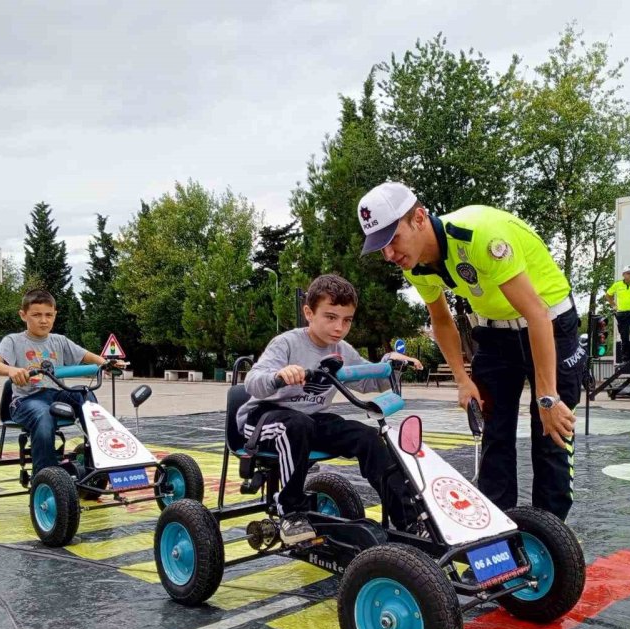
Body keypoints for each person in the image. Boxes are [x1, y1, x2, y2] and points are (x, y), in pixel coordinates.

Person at [357, 182, 582, 522]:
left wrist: (547, 397)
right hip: (495, 333)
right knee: (494, 433)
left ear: (419, 218)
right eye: (380, 246)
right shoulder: (415, 264)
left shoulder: (479, 235)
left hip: (550, 323)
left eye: (393, 239)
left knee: (550, 434)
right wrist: (462, 379)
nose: (389, 254)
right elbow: (441, 321)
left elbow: (536, 314)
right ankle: (499, 530)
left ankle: (551, 536)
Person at [237, 274, 424, 544]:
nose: (339, 327)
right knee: (297, 426)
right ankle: (291, 512)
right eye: (330, 317)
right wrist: (279, 375)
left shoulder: (342, 349)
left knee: (368, 437)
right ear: (308, 313)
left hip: (310, 420)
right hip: (263, 418)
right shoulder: (287, 343)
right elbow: (253, 382)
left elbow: (368, 380)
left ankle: (408, 521)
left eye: (346, 320)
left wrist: (391, 364)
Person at [0, 289, 116, 474]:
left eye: (48, 315)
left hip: (57, 394)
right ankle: (45, 475)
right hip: (26, 400)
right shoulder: (14, 341)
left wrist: (105, 363)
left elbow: (86, 355)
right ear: (23, 315)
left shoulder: (59, 341)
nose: (43, 320)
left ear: (55, 315)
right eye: (36, 315)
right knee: (44, 415)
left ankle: (100, 457)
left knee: (85, 396)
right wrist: (11, 370)